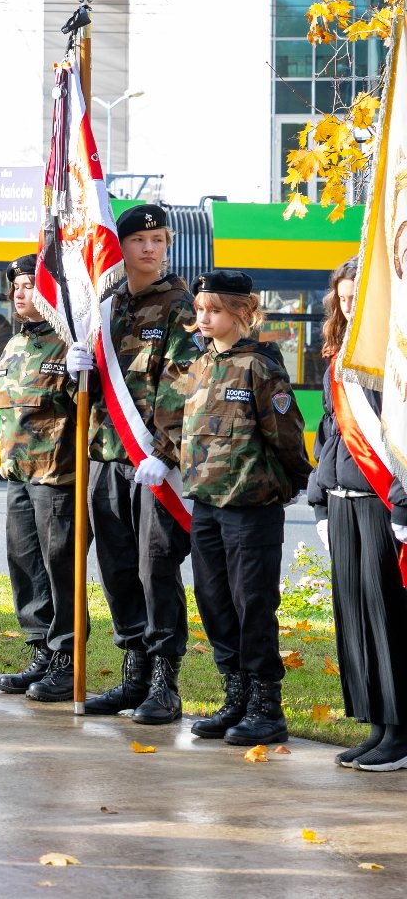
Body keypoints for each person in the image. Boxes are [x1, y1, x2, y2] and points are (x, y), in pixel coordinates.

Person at [65, 204, 199, 721]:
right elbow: (98, 390)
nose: (150, 248)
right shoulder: (106, 306)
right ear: (118, 247)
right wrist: (79, 367)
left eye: (159, 240)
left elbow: (183, 383)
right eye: (140, 240)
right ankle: (133, 676)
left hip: (153, 464)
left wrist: (164, 455)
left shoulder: (180, 306)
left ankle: (165, 682)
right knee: (117, 568)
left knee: (155, 568)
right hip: (106, 457)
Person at [167, 270, 313, 745]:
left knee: (253, 604)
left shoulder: (260, 367)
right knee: (214, 603)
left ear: (241, 312)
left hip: (251, 507)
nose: (203, 318)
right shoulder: (200, 364)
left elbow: (287, 436)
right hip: (207, 504)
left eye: (214, 310)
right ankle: (235, 695)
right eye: (200, 310)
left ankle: (265, 706)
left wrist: (288, 485)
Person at [304, 257, 407, 770]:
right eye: (342, 298)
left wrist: (404, 506)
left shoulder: (394, 359)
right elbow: (329, 434)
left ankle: (400, 730)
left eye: (356, 298)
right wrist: (318, 496)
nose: (348, 305)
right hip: (342, 504)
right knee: (355, 619)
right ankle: (374, 723)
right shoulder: (339, 357)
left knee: (387, 618)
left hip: (383, 505)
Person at [0, 254, 66, 699]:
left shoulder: (67, 345)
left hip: (57, 475)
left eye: (31, 286)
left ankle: (65, 656)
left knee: (59, 568)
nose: (22, 294)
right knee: (24, 564)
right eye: (17, 287)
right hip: (18, 474)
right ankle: (39, 650)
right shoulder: (15, 345)